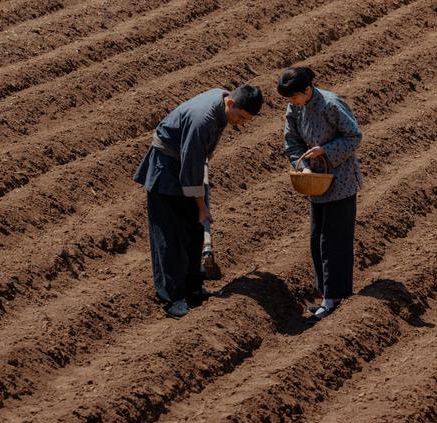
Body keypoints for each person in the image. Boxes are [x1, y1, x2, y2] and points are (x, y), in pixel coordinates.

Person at [134, 85, 263, 318]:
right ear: (231, 104)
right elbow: (190, 166)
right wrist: (202, 206)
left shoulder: (223, 102)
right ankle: (173, 298)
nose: (241, 123)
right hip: (167, 168)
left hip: (187, 163)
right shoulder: (202, 119)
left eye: (247, 120)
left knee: (193, 229)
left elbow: (199, 155)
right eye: (241, 117)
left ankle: (193, 287)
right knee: (170, 237)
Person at [278, 67, 362, 323]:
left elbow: (354, 137)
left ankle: (333, 297)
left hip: (341, 181)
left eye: (294, 97)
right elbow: (291, 141)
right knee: (317, 239)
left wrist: (325, 150)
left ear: (307, 90)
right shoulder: (295, 108)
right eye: (289, 100)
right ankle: (326, 293)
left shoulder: (331, 104)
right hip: (315, 182)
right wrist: (302, 166)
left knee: (333, 241)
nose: (292, 104)